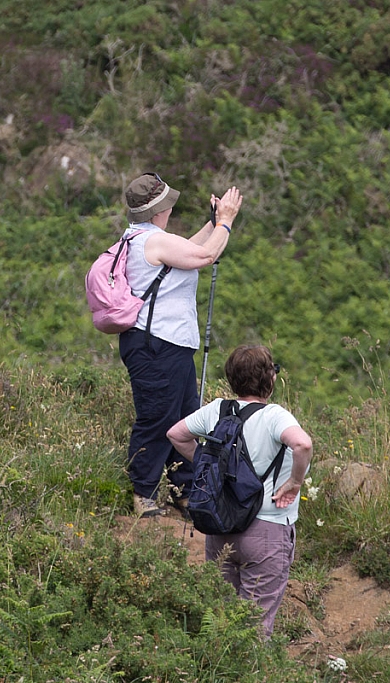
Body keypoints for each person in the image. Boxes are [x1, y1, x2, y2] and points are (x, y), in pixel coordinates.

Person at [166, 345, 313, 640]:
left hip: (220, 528)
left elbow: (175, 435)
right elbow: (303, 445)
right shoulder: (275, 416)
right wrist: (295, 482)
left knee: (220, 619)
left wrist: (210, 469)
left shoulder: (217, 409)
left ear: (231, 379)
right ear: (270, 380)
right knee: (253, 628)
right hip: (267, 530)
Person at [119, 172, 243, 518]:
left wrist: (214, 222)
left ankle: (183, 489)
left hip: (164, 344)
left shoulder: (147, 238)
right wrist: (227, 222)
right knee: (158, 418)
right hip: (156, 344)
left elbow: (192, 249)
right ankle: (143, 493)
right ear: (159, 209)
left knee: (185, 419)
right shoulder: (152, 242)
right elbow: (205, 256)